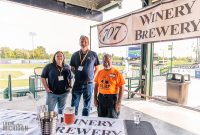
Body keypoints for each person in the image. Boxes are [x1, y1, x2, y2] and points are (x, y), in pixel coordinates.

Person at [70, 35, 100, 116]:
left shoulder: (93, 54)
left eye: (85, 41)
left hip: (88, 84)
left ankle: (85, 122)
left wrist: (92, 76)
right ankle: (73, 121)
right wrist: (77, 74)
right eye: (82, 41)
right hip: (77, 83)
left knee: (87, 106)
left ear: (88, 42)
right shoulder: (75, 55)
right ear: (79, 42)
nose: (83, 42)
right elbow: (72, 68)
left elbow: (97, 67)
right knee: (74, 105)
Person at [94, 54, 125, 118]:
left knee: (112, 120)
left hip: (112, 99)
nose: (106, 63)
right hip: (101, 98)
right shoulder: (100, 72)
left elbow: (122, 87)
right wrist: (94, 98)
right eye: (104, 62)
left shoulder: (116, 73)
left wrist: (119, 102)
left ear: (111, 61)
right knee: (101, 119)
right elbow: (96, 85)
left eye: (108, 61)